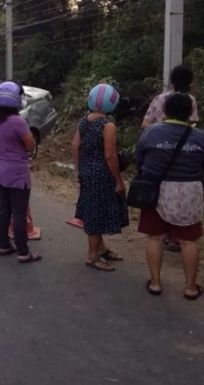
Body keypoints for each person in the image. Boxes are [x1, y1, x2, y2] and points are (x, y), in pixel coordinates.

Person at [136, 93, 204, 299]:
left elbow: (140, 159)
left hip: (156, 190)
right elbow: (203, 162)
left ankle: (156, 284)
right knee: (188, 241)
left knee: (155, 237)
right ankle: (191, 288)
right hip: (189, 192)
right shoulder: (200, 137)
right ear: (189, 114)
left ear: (165, 111)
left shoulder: (150, 132)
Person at [142, 64, 199, 253]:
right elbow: (192, 128)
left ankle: (161, 234)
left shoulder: (160, 98)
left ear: (171, 81)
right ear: (190, 82)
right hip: (183, 155)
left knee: (159, 194)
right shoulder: (190, 100)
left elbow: (146, 123)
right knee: (179, 194)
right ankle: (176, 237)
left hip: (159, 154)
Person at [72, 84, 129, 272]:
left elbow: (75, 146)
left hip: (87, 173)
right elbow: (110, 156)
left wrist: (78, 170)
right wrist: (119, 181)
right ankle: (92, 256)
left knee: (92, 211)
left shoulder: (84, 121)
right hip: (102, 176)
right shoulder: (108, 125)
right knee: (96, 215)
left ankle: (101, 249)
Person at [0, 81, 41, 261]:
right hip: (17, 173)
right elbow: (29, 146)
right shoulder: (18, 122)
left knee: (5, 209)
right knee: (19, 212)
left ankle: (3, 245)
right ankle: (23, 252)